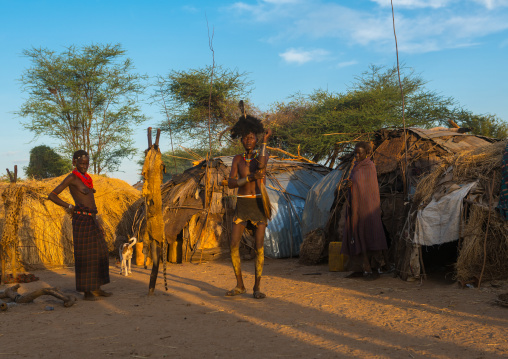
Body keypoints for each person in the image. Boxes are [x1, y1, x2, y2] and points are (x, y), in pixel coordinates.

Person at [48, 150, 111, 300]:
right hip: (81, 220)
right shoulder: (72, 178)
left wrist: (96, 221)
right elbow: (52, 195)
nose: (84, 166)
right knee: (85, 255)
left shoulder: (87, 179)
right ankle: (87, 292)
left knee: (100, 252)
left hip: (91, 219)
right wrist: (69, 206)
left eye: (87, 163)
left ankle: (97, 287)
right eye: (81, 163)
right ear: (74, 162)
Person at [226, 114, 272, 299]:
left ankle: (257, 287)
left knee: (259, 247)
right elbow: (230, 183)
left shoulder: (262, 155)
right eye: (245, 138)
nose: (248, 141)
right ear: (241, 140)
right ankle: (240, 285)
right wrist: (248, 178)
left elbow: (260, 166)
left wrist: (265, 142)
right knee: (233, 245)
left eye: (252, 137)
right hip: (242, 203)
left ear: (256, 139)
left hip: (259, 204)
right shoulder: (237, 159)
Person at [341, 141, 387, 280]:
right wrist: (348, 184)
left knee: (371, 234)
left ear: (367, 153)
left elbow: (368, 187)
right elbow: (355, 184)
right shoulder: (355, 167)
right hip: (357, 207)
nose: (356, 155)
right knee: (357, 233)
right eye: (355, 152)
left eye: (359, 152)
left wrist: (353, 183)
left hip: (368, 208)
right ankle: (363, 267)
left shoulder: (369, 166)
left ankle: (376, 267)